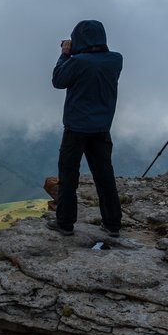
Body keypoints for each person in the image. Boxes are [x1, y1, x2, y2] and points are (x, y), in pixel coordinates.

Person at [47, 20, 124, 238]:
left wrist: (65, 54)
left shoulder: (77, 62)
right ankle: (112, 224)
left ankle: (65, 222)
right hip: (102, 128)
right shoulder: (116, 60)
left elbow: (58, 81)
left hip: (76, 128)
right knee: (104, 176)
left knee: (69, 175)